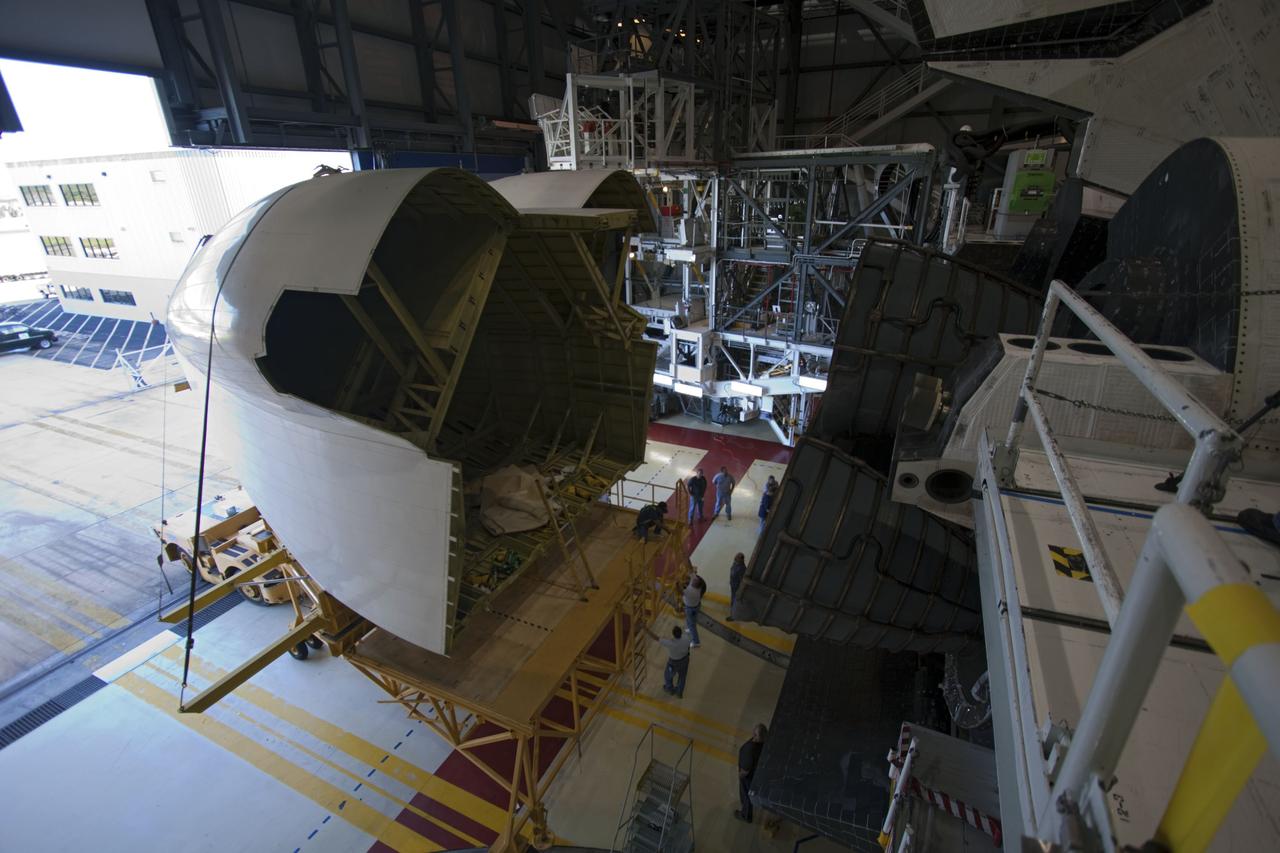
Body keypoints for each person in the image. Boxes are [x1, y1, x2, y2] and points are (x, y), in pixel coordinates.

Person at [644, 623, 692, 698]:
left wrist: (645, 629)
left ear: (673, 634)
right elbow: (689, 634)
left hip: (673, 663)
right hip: (685, 660)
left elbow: (656, 638)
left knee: (668, 675)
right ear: (681, 633)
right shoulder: (686, 638)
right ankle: (679, 692)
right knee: (682, 676)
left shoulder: (670, 643)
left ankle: (669, 689)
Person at [735, 723, 768, 823]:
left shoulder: (749, 751)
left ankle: (746, 816)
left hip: (748, 778)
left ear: (755, 735)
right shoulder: (763, 743)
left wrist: (740, 776)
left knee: (746, 796)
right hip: (756, 773)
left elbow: (745, 771)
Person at [683, 572, 704, 647]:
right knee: (690, 620)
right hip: (696, 606)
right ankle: (689, 628)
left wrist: (677, 584)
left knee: (692, 625)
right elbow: (691, 573)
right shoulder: (698, 585)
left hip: (690, 609)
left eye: (694, 581)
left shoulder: (691, 592)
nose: (693, 580)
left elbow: (680, 591)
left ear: (696, 584)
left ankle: (696, 642)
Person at [728, 552, 746, 621]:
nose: (735, 558)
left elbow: (742, 579)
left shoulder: (742, 568)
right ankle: (733, 615)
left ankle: (733, 616)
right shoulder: (735, 564)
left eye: (737, 557)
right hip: (733, 586)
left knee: (735, 601)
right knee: (733, 600)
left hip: (737, 587)